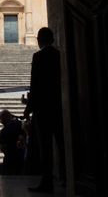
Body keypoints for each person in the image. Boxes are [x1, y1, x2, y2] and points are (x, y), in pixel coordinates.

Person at [24, 27, 66, 193]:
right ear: (53, 39)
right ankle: (68, 177)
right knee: (62, 144)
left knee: (46, 147)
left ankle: (47, 181)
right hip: (60, 106)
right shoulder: (59, 55)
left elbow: (36, 84)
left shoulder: (39, 56)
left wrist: (29, 107)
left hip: (43, 109)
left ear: (40, 39)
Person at [0, 109, 26, 175]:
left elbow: (2, 147)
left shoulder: (4, 130)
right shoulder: (20, 124)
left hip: (10, 158)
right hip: (22, 156)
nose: (1, 122)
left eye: (1, 119)